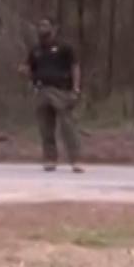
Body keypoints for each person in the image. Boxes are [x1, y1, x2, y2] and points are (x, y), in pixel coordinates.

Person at [22, 18, 83, 173]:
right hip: (42, 90)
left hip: (61, 90)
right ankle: (50, 159)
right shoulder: (35, 50)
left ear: (53, 28)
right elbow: (30, 68)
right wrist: (28, 77)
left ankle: (75, 160)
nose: (42, 28)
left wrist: (75, 89)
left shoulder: (64, 48)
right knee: (45, 127)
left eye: (45, 25)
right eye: (40, 25)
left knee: (68, 126)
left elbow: (74, 67)